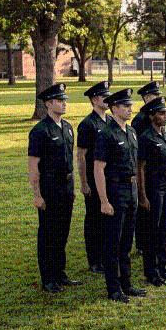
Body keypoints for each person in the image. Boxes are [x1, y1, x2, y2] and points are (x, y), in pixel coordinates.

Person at [94, 88, 147, 303]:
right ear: (114, 108)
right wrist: (104, 200)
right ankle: (113, 288)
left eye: (130, 106)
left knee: (126, 242)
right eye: (125, 106)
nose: (130, 109)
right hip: (115, 191)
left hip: (131, 190)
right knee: (113, 243)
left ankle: (126, 283)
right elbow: (99, 168)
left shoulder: (131, 131)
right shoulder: (106, 134)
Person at [28, 83, 81, 293]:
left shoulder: (67, 127)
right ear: (48, 104)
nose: (64, 103)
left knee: (63, 231)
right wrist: (37, 195)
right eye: (60, 100)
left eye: (64, 100)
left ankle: (60, 272)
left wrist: (73, 187)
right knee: (48, 233)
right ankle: (48, 278)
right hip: (50, 188)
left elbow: (70, 160)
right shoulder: (40, 131)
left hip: (66, 186)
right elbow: (33, 165)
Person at [136, 97, 166, 286]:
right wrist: (142, 195)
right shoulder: (146, 138)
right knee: (152, 230)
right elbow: (140, 167)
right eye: (161, 113)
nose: (165, 116)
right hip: (153, 185)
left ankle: (162, 267)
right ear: (151, 116)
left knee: (163, 228)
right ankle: (151, 271)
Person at [76, 81, 111, 274]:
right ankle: (95, 260)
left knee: (107, 219)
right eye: (104, 97)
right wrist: (84, 183)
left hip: (109, 178)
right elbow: (81, 155)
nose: (108, 100)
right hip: (93, 177)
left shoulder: (110, 121)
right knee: (94, 220)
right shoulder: (88, 124)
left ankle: (106, 256)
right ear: (95, 100)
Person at [131, 81, 163, 256]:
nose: (158, 97)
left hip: (157, 168)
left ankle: (152, 239)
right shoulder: (140, 120)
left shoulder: (156, 116)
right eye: (155, 95)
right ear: (147, 97)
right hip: (146, 169)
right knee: (145, 208)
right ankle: (142, 243)